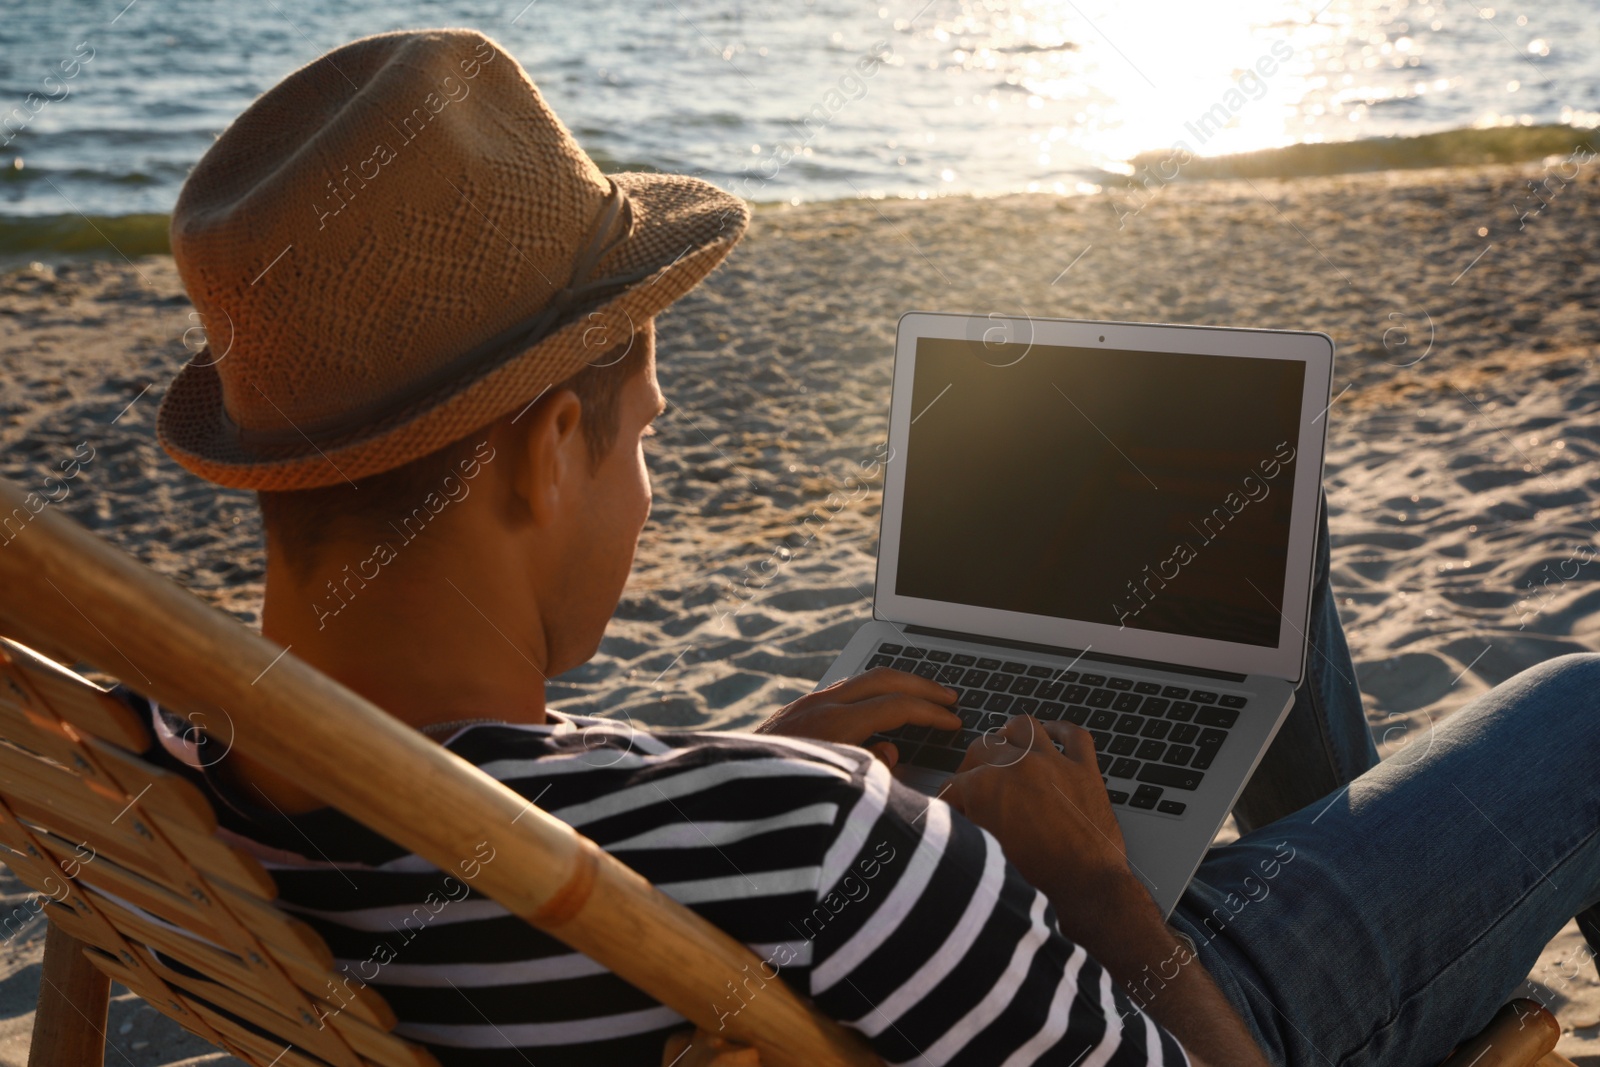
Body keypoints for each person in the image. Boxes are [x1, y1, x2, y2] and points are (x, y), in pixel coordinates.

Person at [143, 27, 1600, 1067]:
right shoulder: (827, 846)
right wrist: (1086, 882)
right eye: (642, 436)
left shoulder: (175, 773)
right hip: (1179, 1008)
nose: (645, 479)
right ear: (546, 454)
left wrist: (712, 779)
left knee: (1278, 562)